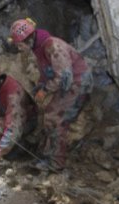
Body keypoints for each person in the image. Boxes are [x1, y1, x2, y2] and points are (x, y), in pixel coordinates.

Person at [9, 17, 92, 172]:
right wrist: (40, 86)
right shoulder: (40, 47)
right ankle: (46, 154)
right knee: (49, 114)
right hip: (70, 81)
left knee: (55, 118)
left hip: (78, 82)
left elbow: (64, 77)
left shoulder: (53, 46)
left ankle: (56, 163)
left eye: (19, 45)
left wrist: (45, 90)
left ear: (28, 40)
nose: (19, 48)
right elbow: (47, 72)